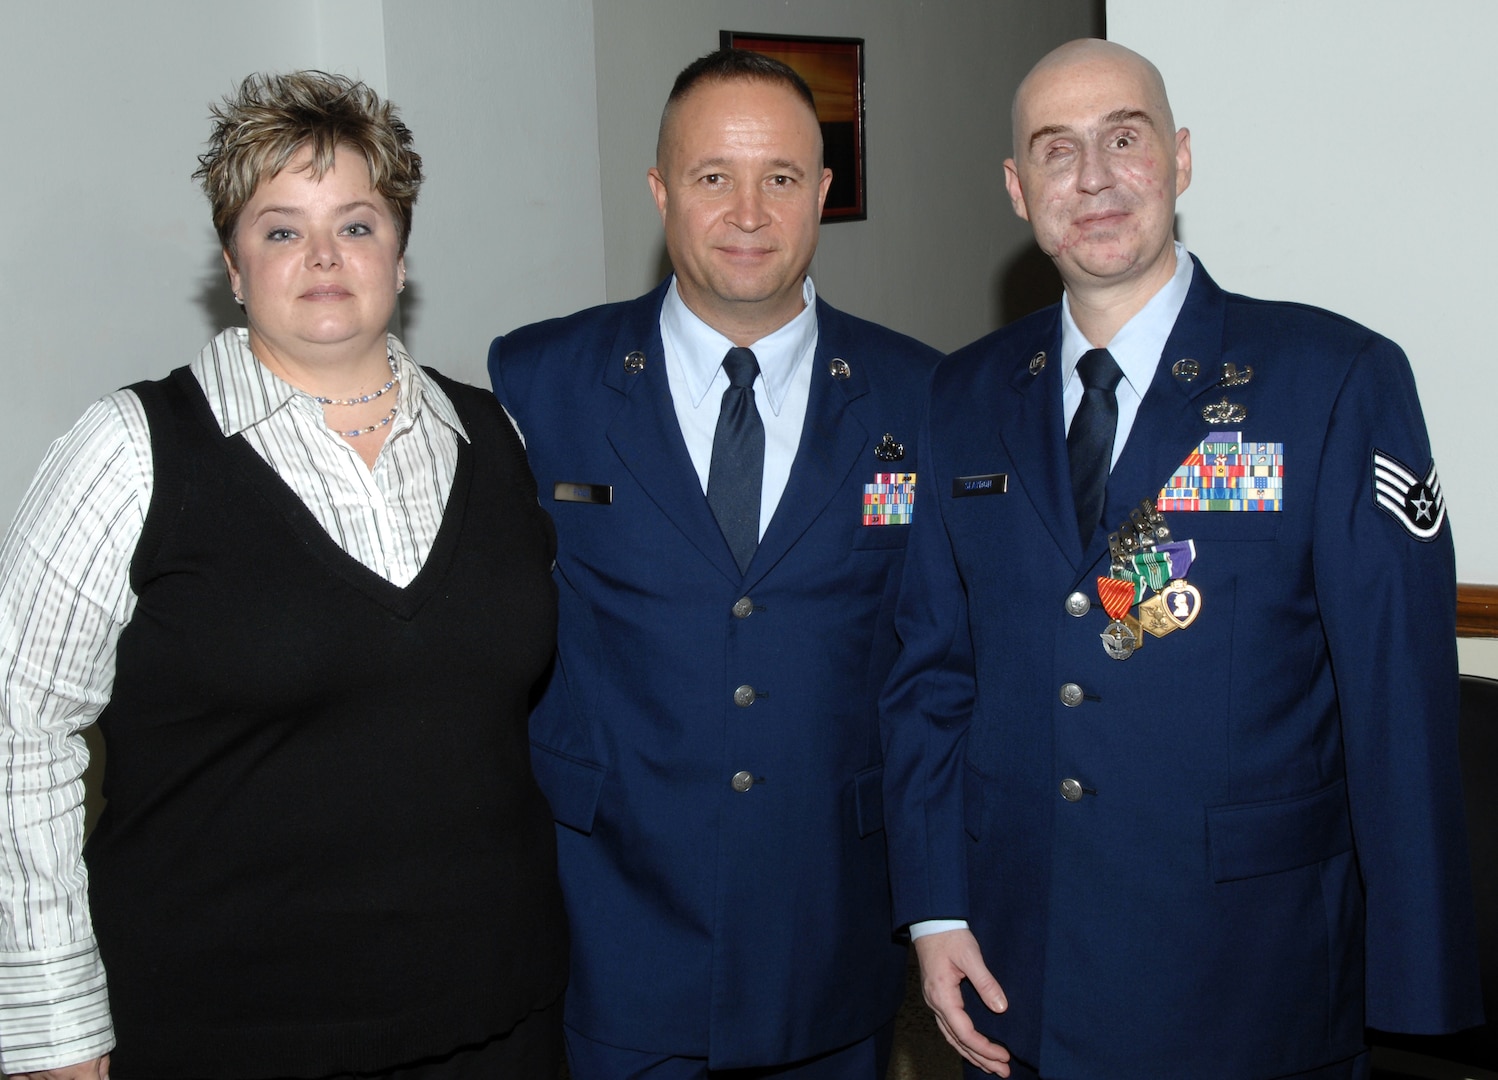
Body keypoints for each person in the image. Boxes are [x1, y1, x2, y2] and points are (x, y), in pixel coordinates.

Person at [882, 38, 1483, 1080]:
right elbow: (932, 676)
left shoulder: (1329, 380)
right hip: (1023, 974)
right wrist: (934, 911)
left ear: (1182, 158)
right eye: (1056, 151)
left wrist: (1412, 988)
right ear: (1019, 192)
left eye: (1126, 137)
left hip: (1253, 980)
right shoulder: (959, 396)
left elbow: (1396, 697)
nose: (1096, 177)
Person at [0, 71, 566, 1079]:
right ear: (230, 262)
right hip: (225, 1032)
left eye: (355, 224)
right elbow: (19, 735)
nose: (321, 258)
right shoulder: (130, 452)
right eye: (279, 230)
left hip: (495, 1018)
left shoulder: (494, 435)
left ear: (399, 250)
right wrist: (58, 1027)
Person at [489, 48, 939, 1080]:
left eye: (780, 177)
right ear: (659, 193)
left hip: (831, 923)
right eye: (710, 178)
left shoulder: (920, 396)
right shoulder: (538, 380)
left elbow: (940, 665)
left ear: (822, 195)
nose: (748, 211)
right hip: (607, 928)